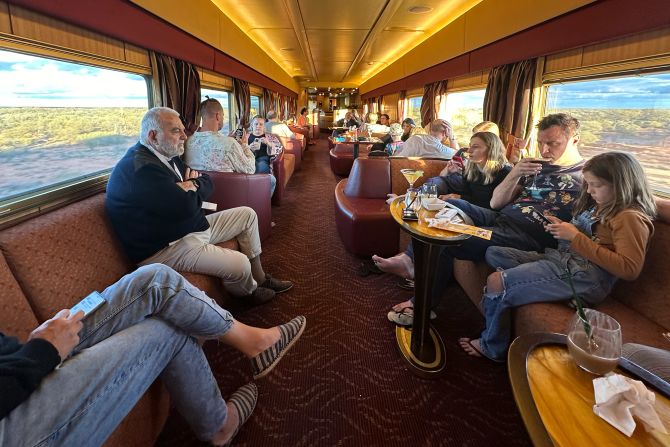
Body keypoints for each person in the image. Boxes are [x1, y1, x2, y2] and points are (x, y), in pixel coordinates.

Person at [0, 263, 307, 446]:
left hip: (20, 366)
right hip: (12, 414)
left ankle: (252, 342)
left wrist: (36, 346)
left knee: (154, 280)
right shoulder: (139, 171)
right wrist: (40, 353)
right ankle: (221, 423)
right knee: (167, 329)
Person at [387, 113, 586, 325]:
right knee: (449, 204)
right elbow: (496, 203)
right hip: (501, 217)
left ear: (575, 140)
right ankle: (409, 260)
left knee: (446, 237)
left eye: (553, 143)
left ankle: (422, 305)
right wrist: (516, 172)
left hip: (526, 236)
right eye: (540, 143)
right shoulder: (536, 167)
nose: (545, 150)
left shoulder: (586, 176)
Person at [459, 152, 656, 361]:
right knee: (495, 252)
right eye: (588, 184)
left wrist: (575, 237)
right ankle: (533, 290)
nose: (589, 190)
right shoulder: (601, 205)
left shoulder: (629, 217)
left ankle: (491, 346)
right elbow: (586, 238)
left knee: (496, 281)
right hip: (563, 259)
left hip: (586, 276)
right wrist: (561, 228)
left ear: (621, 184)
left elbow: (629, 269)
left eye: (595, 185)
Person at [106, 107, 291, 306]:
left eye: (182, 130)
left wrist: (191, 185)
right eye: (176, 131)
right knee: (240, 264)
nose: (185, 136)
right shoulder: (140, 170)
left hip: (189, 227)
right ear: (153, 136)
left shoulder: (168, 156)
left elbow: (207, 181)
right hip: (167, 248)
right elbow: (185, 206)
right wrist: (189, 189)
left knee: (247, 215)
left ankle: (261, 277)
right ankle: (247, 295)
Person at [373, 132, 511, 290]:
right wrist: (459, 196)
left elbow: (496, 204)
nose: (469, 151)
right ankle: (408, 259)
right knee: (436, 210)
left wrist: (457, 198)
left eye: (475, 147)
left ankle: (408, 260)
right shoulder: (472, 169)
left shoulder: (505, 172)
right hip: (471, 208)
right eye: (470, 146)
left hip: (491, 215)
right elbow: (469, 194)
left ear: (491, 149)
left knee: (449, 203)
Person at [249, 115, 282, 189]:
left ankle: (256, 191)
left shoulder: (270, 137)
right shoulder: (246, 137)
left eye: (261, 124)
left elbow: (280, 149)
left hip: (263, 159)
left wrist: (268, 143)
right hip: (247, 161)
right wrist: (249, 148)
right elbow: (237, 151)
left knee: (261, 167)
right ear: (252, 125)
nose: (258, 126)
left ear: (264, 126)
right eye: (256, 124)